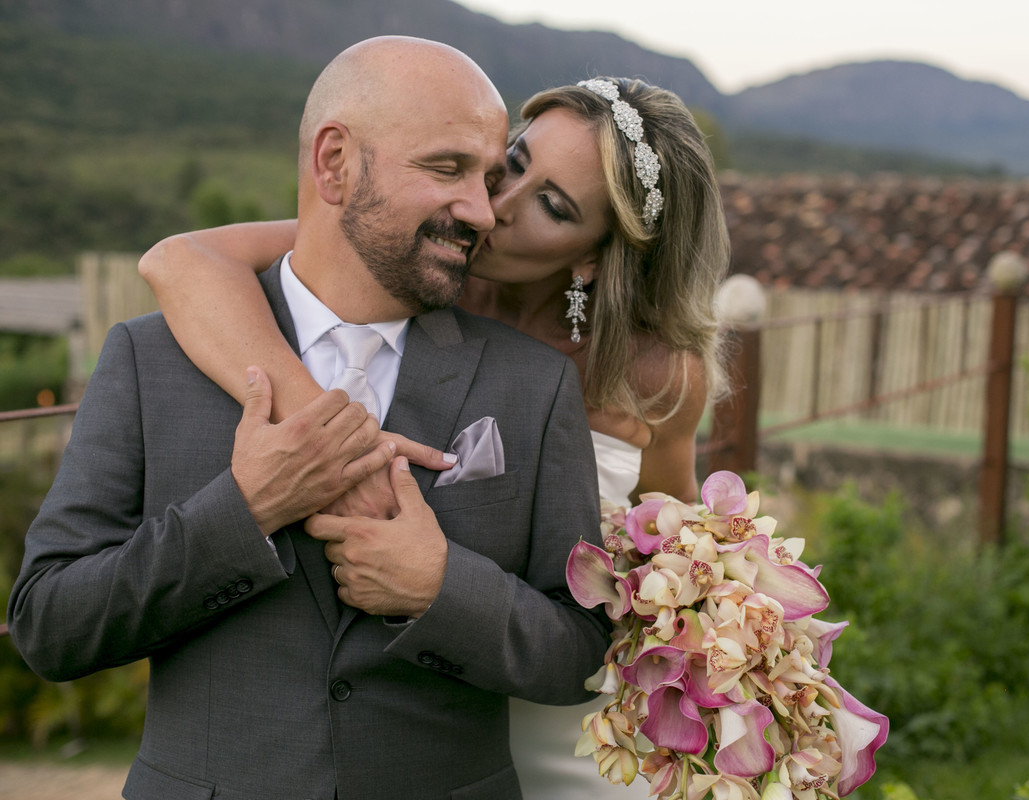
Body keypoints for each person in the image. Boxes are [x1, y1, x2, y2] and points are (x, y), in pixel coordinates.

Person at [6, 36, 609, 800]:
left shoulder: (536, 385)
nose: (484, 211)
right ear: (334, 163)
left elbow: (585, 650)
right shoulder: (147, 357)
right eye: (448, 168)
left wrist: (440, 588)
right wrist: (245, 511)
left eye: (492, 178)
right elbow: (49, 626)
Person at [138, 74, 730, 798]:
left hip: (569, 714)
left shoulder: (656, 376)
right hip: (410, 715)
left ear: (596, 255)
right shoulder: (402, 256)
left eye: (552, 205)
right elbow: (177, 261)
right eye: (514, 163)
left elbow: (672, 556)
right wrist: (335, 444)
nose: (496, 207)